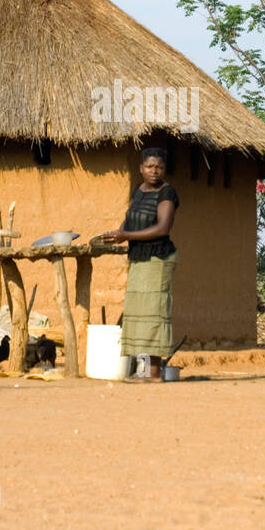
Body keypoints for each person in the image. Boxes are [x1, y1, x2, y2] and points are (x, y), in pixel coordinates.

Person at [99, 148, 179, 381]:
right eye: (150, 166)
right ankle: (144, 369)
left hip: (159, 259)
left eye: (159, 167)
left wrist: (127, 237)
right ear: (141, 168)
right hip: (140, 257)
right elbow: (131, 217)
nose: (155, 171)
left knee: (153, 312)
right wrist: (120, 232)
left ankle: (154, 373)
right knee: (138, 312)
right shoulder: (139, 190)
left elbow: (162, 228)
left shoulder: (167, 193)